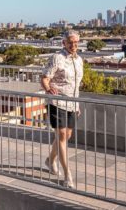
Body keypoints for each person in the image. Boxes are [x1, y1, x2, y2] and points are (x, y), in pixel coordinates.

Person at [41, 30, 83, 188]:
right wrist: (48, 89)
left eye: (76, 42)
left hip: (72, 103)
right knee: (62, 136)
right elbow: (45, 77)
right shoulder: (57, 58)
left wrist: (77, 104)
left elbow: (76, 85)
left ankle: (50, 160)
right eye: (70, 42)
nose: (73, 45)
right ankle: (68, 175)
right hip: (57, 103)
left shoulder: (79, 60)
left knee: (66, 136)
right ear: (64, 43)